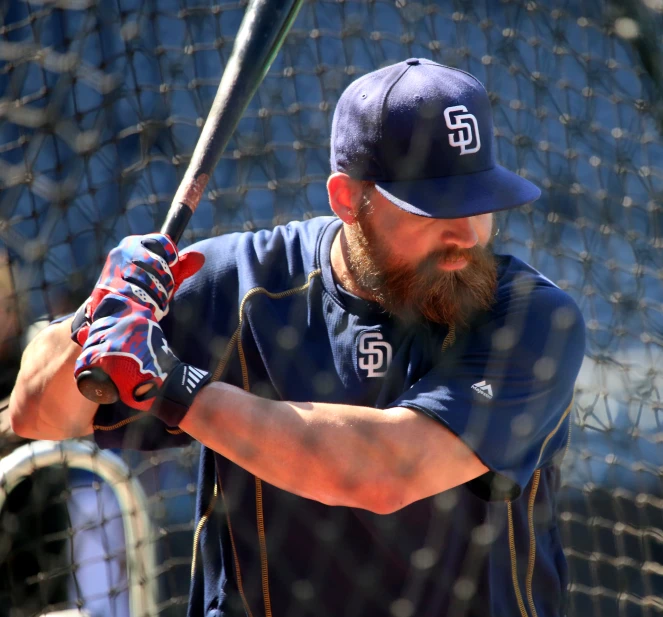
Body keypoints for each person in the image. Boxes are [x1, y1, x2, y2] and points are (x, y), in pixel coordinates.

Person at [9, 58, 586, 617]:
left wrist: (174, 389)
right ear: (347, 199)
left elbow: (386, 472)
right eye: (433, 210)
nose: (467, 234)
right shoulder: (242, 284)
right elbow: (38, 415)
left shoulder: (530, 318)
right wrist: (97, 317)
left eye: (481, 202)